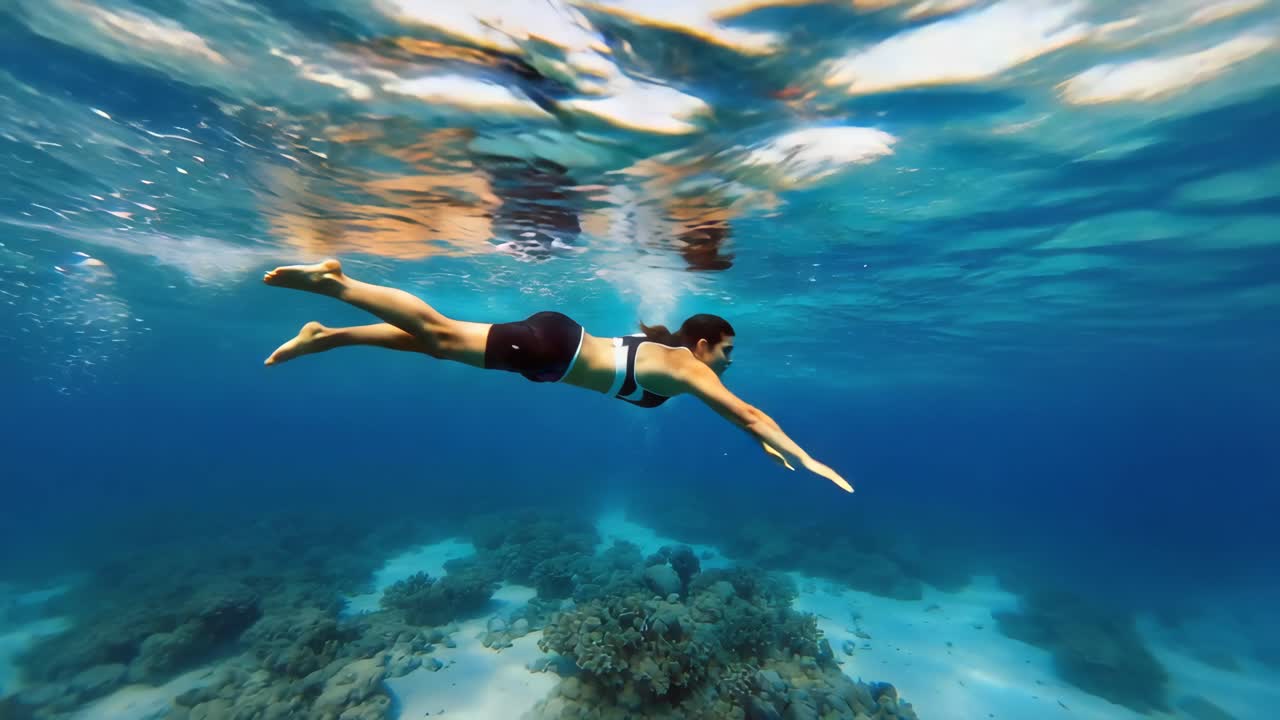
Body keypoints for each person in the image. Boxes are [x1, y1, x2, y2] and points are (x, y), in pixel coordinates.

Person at [262, 259, 853, 493]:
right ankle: (337, 283)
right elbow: (746, 412)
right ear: (703, 346)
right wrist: (805, 457)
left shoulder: (676, 364)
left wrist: (764, 446)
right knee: (439, 333)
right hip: (553, 348)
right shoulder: (683, 365)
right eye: (727, 351)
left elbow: (736, 417)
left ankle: (326, 336)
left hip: (551, 352)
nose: (728, 363)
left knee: (437, 348)